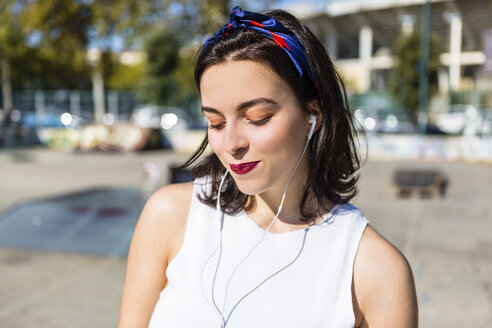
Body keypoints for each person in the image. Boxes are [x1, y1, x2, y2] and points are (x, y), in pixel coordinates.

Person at [119, 6, 418, 328]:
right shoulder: (170, 216)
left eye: (257, 118)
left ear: (311, 114)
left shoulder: (374, 270)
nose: (232, 144)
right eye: (216, 123)